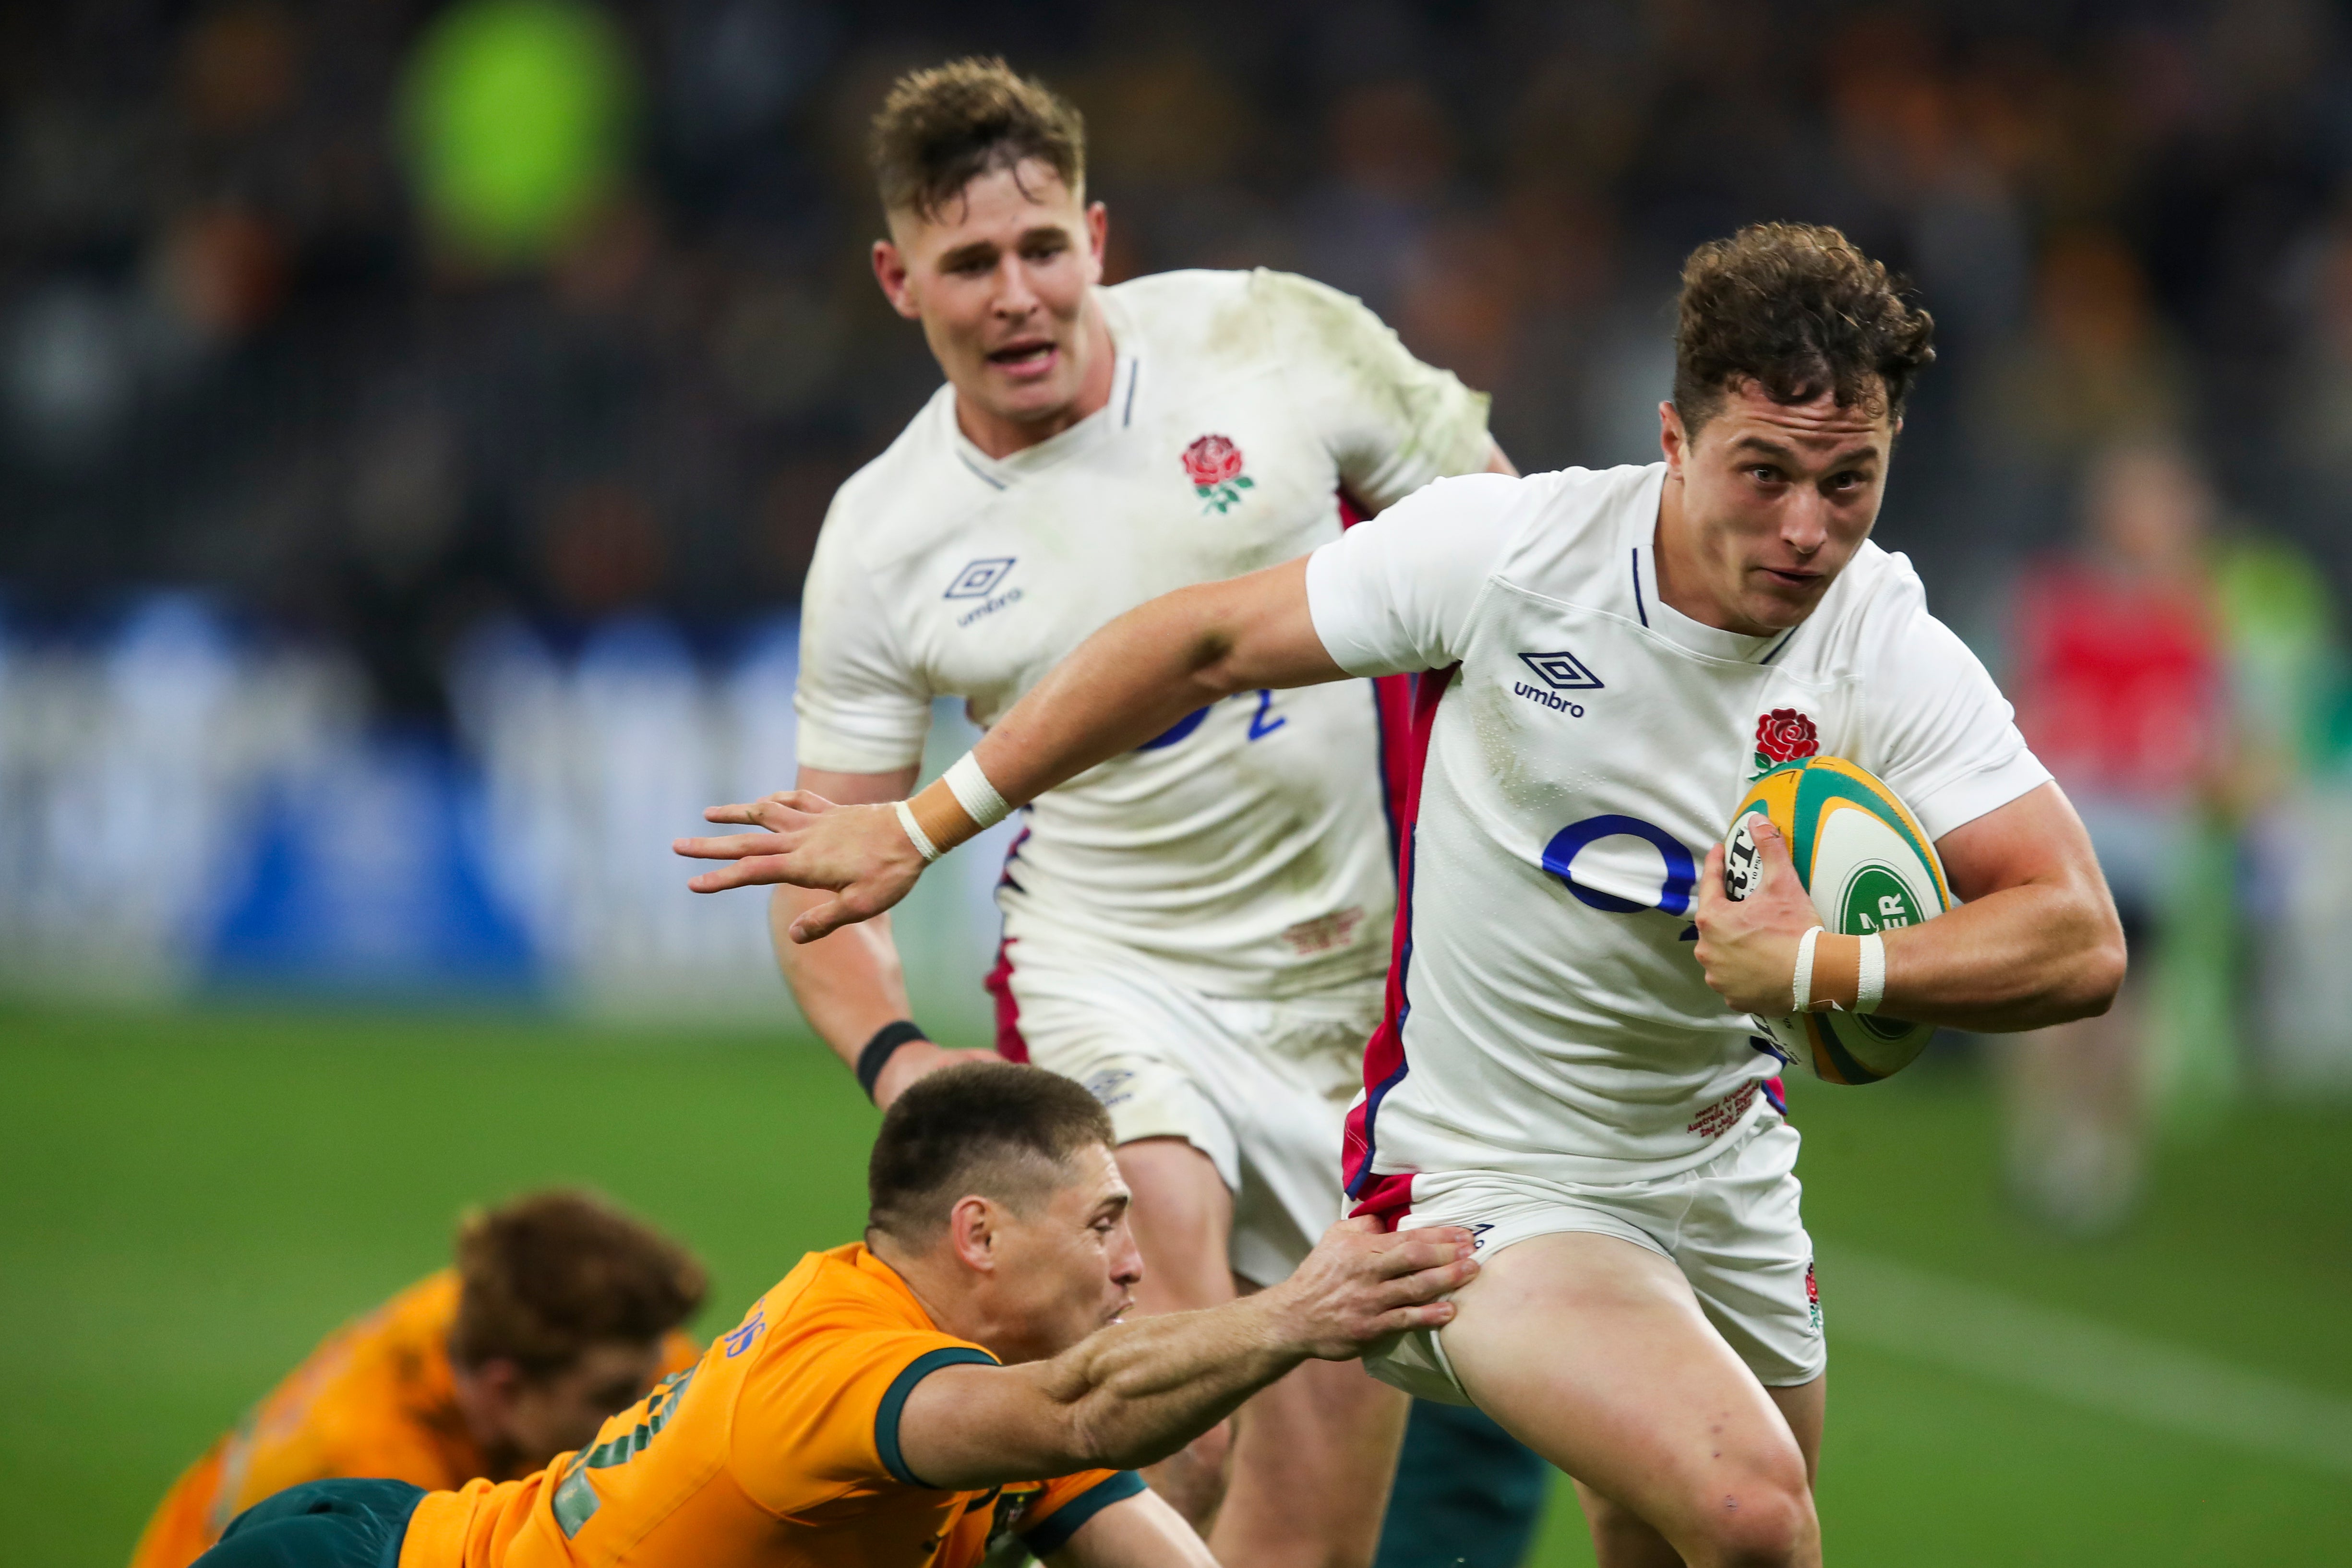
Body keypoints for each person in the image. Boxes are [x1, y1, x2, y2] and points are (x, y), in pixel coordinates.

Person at [678, 222, 2128, 1567]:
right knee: (1753, 1511)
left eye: (1849, 479)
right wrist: (925, 822)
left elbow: (2075, 933)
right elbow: (1194, 642)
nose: (1808, 526)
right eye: (1765, 472)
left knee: (1679, 1538)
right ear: (1674, 441)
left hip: (1725, 1166)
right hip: (1490, 1179)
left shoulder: (1882, 634)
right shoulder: (1512, 558)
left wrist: (1826, 971)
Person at [751, 56, 1538, 1567]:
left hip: (1365, 1001)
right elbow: (823, 873)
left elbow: (1513, 561)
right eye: (966, 263)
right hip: (1117, 974)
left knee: (1303, 1543)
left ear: (1096, 236)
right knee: (1184, 1439)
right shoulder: (882, 540)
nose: (1014, 295)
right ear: (893, 279)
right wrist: (899, 1057)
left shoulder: (1275, 340)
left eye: (1040, 248)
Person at [191, 1062, 1479, 1568]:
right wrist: (1293, 1318)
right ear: (978, 1235)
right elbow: (1091, 1402)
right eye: (1102, 1223)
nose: (1133, 1264)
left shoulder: (994, 1390)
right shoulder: (844, 1370)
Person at [133, 1190, 706, 1568]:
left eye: (649, 1375)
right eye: (611, 1397)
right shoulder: (374, 1479)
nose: (644, 1407)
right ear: (503, 1391)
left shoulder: (509, 1319)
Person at [2000, 440, 2228, 1231]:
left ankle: (2103, 1152)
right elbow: (2028, 702)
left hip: (2144, 839)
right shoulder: (2071, 601)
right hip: (2074, 821)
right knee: (2052, 995)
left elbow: (2206, 731)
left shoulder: (2188, 613)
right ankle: (2048, 1143)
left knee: (2128, 1004)